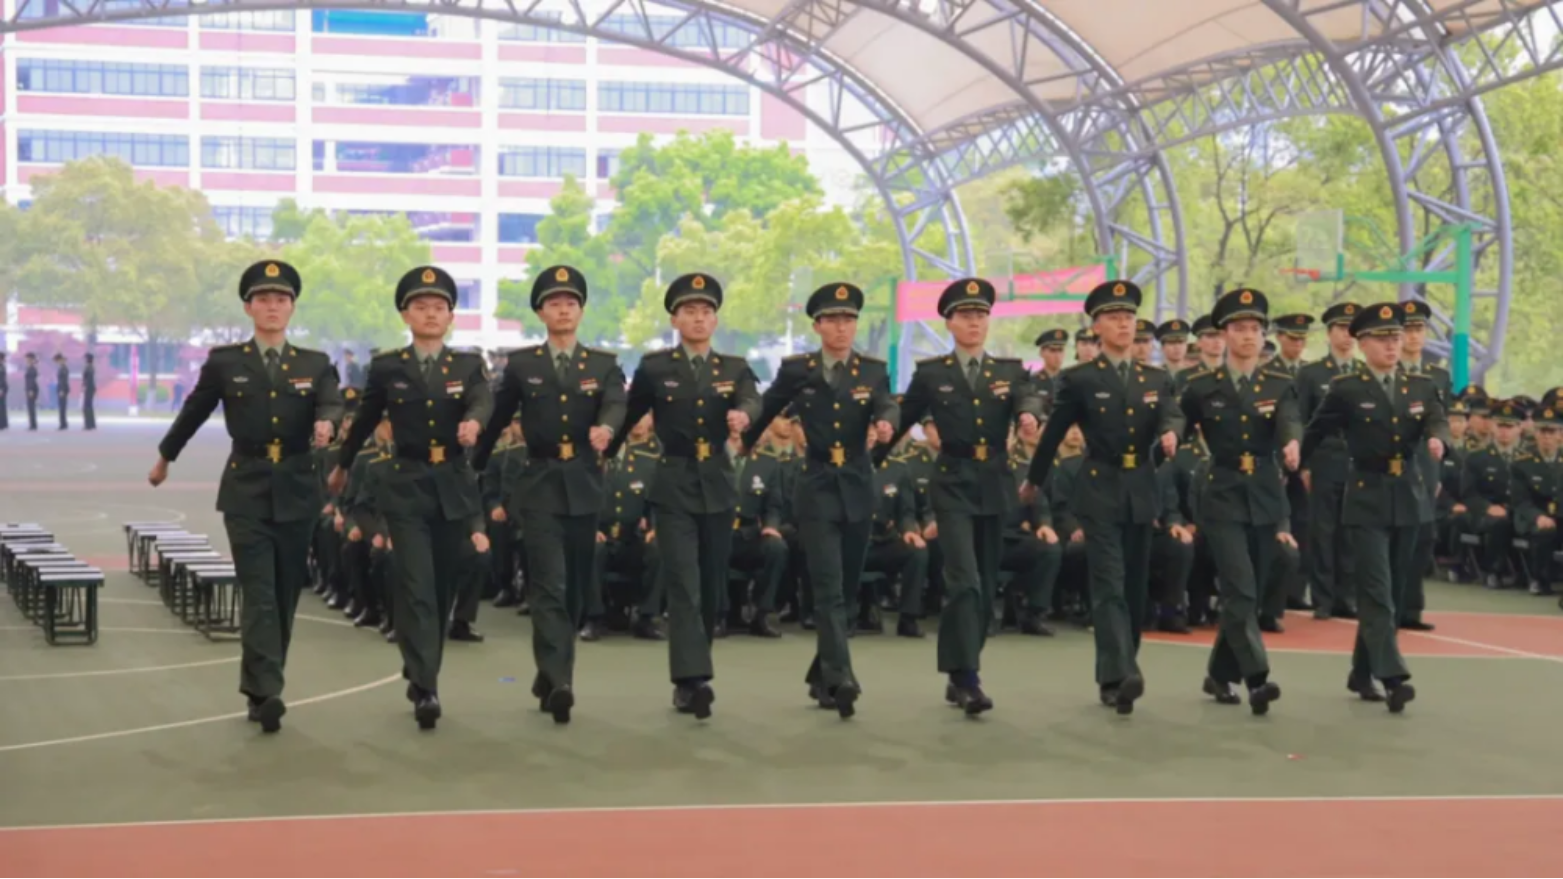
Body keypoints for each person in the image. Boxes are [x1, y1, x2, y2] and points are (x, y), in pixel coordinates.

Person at [149, 260, 343, 733]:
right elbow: (194, 411)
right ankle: (269, 690)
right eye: (263, 299)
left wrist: (328, 423)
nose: (272, 307)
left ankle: (260, 689)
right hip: (246, 488)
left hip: (297, 487)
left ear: (292, 308)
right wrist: (165, 456)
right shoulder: (226, 362)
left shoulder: (315, 364)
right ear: (248, 307)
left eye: (281, 299)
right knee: (259, 592)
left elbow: (331, 401)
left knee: (284, 593)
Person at [328, 265, 494, 730]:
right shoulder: (388, 367)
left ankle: (420, 666)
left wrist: (474, 422)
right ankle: (426, 686)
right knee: (416, 585)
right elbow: (365, 419)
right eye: (421, 307)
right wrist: (342, 464)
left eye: (439, 307)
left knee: (441, 588)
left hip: (452, 485)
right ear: (406, 314)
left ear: (451, 317)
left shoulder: (467, 366)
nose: (431, 314)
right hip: (407, 485)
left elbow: (482, 399)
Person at [472, 265, 627, 724]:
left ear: (581, 311)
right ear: (541, 312)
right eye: (555, 303)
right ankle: (561, 681)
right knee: (548, 585)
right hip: (539, 484)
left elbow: (616, 403)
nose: (563, 310)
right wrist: (472, 463)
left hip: (584, 482)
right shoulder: (524, 365)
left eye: (571, 303)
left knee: (575, 587)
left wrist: (607, 429)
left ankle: (550, 671)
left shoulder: (602, 364)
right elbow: (498, 417)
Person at [1020, 280, 1182, 714]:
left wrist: (1171, 433)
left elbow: (1171, 414)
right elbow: (1054, 433)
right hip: (1100, 488)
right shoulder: (1080, 379)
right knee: (1109, 584)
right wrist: (1034, 481)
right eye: (1114, 318)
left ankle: (1118, 672)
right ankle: (1122, 673)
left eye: (1129, 317)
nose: (1124, 324)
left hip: (1141, 488)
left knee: (1134, 587)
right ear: (1097, 327)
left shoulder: (1155, 378)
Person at [881, 278, 1042, 714]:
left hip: (994, 483)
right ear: (949, 323)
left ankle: (959, 669)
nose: (975, 322)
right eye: (966, 315)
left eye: (981, 315)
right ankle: (967, 676)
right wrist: (871, 455)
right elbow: (902, 418)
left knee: (985, 587)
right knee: (964, 581)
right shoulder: (933, 373)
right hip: (952, 482)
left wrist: (1029, 415)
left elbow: (1028, 398)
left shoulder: (1009, 371)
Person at [604, 272, 760, 720]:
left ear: (715, 320)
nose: (699, 318)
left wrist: (743, 416)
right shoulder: (656, 368)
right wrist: (604, 449)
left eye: (706, 311)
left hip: (718, 483)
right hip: (673, 483)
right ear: (675, 319)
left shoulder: (734, 368)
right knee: (684, 582)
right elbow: (628, 413)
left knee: (710, 585)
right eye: (690, 311)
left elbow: (752, 400)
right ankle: (693, 680)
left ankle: (693, 671)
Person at [740, 282, 897, 717]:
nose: (842, 327)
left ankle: (820, 674)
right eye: (833, 320)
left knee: (846, 588)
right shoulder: (798, 369)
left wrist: (887, 423)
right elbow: (767, 407)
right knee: (828, 587)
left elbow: (887, 404)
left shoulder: (872, 370)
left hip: (858, 484)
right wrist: (741, 443)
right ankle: (842, 677)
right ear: (818, 326)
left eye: (849, 320)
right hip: (817, 485)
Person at [1299, 302, 1449, 712]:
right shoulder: (1346, 388)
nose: (1392, 345)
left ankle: (1362, 671)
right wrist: (1291, 464)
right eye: (1382, 339)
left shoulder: (1421, 386)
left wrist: (1439, 440)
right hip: (1366, 497)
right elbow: (1315, 430)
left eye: (1396, 337)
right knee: (1377, 592)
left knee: (1394, 594)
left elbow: (1437, 420)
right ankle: (1393, 676)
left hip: (1409, 498)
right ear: (1363, 344)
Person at [1176, 288, 1301, 714]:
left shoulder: (1280, 385)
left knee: (1251, 592)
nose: (1248, 335)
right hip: (1223, 494)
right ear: (1224, 334)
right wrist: (1169, 436)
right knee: (1240, 588)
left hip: (1264, 493)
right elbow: (1177, 421)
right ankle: (1257, 678)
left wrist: (1292, 444)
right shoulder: (1200, 387)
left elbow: (1289, 421)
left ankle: (1219, 673)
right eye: (1240, 328)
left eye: (1255, 329)